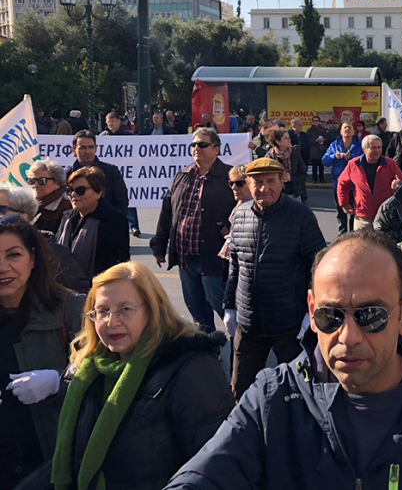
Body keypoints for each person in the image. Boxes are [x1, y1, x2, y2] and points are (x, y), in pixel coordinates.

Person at [167, 230, 402, 490]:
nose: (348, 336)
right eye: (331, 316)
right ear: (312, 311)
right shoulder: (272, 401)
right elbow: (205, 476)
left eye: (371, 315)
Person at [47, 261, 234, 490]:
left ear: (153, 309)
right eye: (102, 311)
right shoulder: (88, 369)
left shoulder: (192, 370)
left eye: (125, 310)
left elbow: (218, 467)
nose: (111, 322)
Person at [222, 158, 326, 400]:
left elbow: (318, 265)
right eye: (257, 182)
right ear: (248, 183)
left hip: (289, 326)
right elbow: (235, 266)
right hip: (249, 326)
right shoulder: (240, 216)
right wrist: (229, 306)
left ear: (282, 181)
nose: (263, 188)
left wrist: (312, 310)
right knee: (240, 390)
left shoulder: (301, 216)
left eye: (271, 181)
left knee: (302, 390)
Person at [0, 217, 86, 490]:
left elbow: (106, 375)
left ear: (33, 258)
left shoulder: (71, 309)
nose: (3, 268)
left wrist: (58, 383)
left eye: (13, 255)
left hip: (48, 461)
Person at [150, 128, 237, 334]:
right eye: (194, 145)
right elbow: (167, 211)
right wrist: (159, 245)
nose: (197, 148)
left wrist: (228, 223)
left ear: (216, 149)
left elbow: (245, 205)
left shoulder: (230, 176)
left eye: (203, 145)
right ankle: (208, 349)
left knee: (223, 307)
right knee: (197, 310)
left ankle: (241, 347)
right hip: (186, 257)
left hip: (214, 256)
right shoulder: (183, 175)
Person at [1, 183, 90, 293]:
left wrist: (51, 296)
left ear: (23, 219)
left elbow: (83, 296)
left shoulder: (54, 253)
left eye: (1, 209)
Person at [58, 167, 130, 277]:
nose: (73, 195)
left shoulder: (114, 220)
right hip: (64, 289)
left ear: (98, 193)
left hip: (98, 288)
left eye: (80, 190)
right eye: (70, 191)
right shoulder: (67, 218)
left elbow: (118, 265)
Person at [337, 134, 402, 230]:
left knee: (383, 245)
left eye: (379, 147)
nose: (377, 151)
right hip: (363, 217)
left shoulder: (390, 164)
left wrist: (398, 184)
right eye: (373, 148)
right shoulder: (354, 164)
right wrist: (344, 203)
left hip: (385, 217)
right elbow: (342, 183)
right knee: (362, 244)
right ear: (364, 149)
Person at [65, 130, 129, 216]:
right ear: (74, 150)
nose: (87, 151)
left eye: (91, 147)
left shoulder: (110, 171)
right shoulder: (67, 174)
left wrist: (114, 222)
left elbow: (121, 201)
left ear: (96, 148)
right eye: (83, 148)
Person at [100, 112, 141, 236]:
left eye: (113, 121)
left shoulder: (129, 136)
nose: (111, 124)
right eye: (108, 122)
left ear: (119, 122)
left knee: (129, 199)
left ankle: (133, 226)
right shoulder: (102, 137)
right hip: (108, 173)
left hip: (126, 173)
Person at [323, 121, 365, 235]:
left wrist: (352, 157)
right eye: (345, 128)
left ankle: (352, 234)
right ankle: (342, 235)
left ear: (353, 131)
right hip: (338, 184)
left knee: (354, 211)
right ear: (341, 131)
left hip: (355, 184)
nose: (347, 130)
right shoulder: (334, 145)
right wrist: (334, 157)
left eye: (349, 128)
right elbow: (325, 161)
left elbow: (365, 159)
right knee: (341, 212)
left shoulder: (360, 144)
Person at [27, 160, 71, 236]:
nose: (35, 185)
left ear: (57, 183)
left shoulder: (66, 207)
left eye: (42, 181)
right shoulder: (29, 205)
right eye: (32, 181)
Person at [266, 126, 309, 201]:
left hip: (294, 194)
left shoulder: (295, 154)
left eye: (289, 137)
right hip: (276, 194)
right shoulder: (270, 157)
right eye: (286, 138)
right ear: (278, 141)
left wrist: (291, 178)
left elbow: (304, 175)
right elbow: (265, 177)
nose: (289, 140)